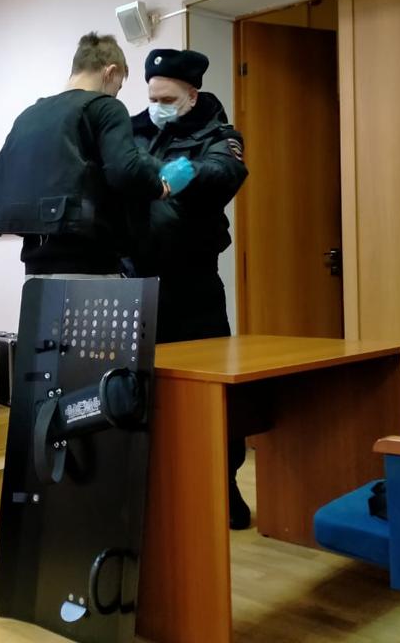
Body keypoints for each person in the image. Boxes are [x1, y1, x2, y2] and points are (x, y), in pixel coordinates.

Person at [126, 48, 255, 529]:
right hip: (137, 284)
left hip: (193, 284)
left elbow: (226, 173)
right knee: (142, 391)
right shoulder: (133, 130)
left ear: (192, 95)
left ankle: (225, 483)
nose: (157, 106)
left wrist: (188, 173)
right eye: (152, 97)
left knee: (213, 390)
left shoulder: (218, 135)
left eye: (167, 99)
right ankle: (155, 490)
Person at [0, 32, 194, 278]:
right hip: (88, 263)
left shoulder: (29, 114)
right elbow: (124, 170)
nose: (115, 94)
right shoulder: (106, 106)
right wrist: (161, 187)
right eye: (118, 87)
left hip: (35, 266)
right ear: (110, 72)